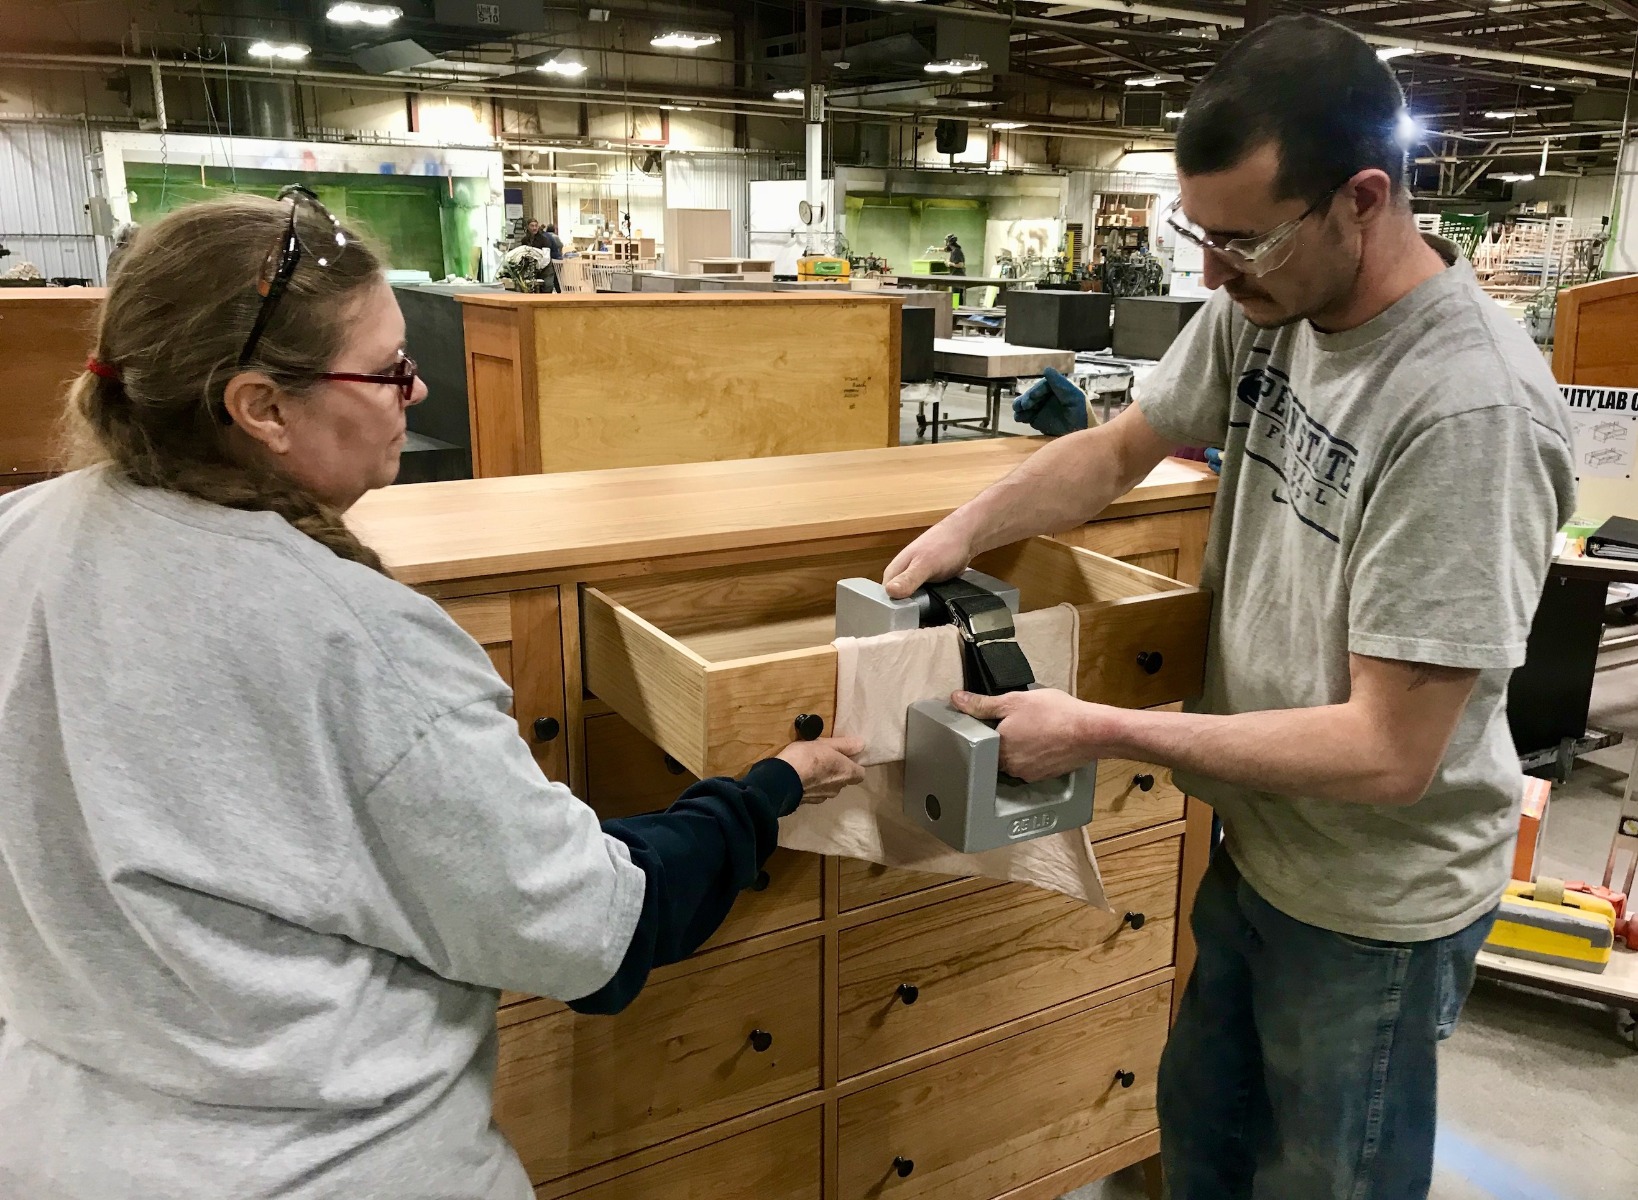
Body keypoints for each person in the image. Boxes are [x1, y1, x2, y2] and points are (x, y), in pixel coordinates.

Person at [0, 189, 864, 1199]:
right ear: (261, 407)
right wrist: (767, 792)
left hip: (58, 1144)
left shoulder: (22, 539)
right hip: (325, 1168)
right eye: (389, 370)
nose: (415, 392)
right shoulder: (358, 642)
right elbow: (601, 931)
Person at [882, 15, 1574, 1200]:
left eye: (1243, 240)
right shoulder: (1270, 305)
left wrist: (1098, 728)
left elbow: (1389, 750)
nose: (1211, 273)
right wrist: (960, 531)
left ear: (1363, 198)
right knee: (1203, 1153)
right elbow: (1119, 451)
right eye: (1197, 235)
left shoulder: (1467, 416)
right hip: (1260, 851)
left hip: (1372, 905)